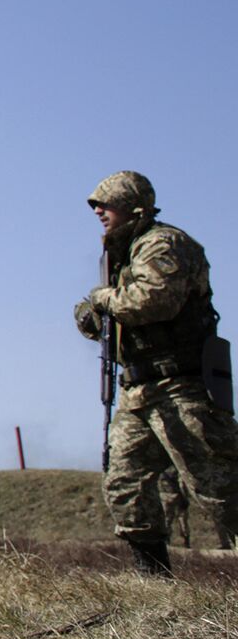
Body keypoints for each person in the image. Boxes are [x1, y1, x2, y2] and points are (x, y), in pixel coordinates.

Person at [76, 170, 236, 576]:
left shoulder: (164, 244)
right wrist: (91, 313)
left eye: (106, 203)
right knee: (124, 484)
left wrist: (102, 298)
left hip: (181, 387)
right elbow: (105, 321)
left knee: (218, 486)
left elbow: (153, 301)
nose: (98, 210)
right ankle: (155, 581)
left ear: (134, 206)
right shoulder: (122, 258)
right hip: (138, 390)